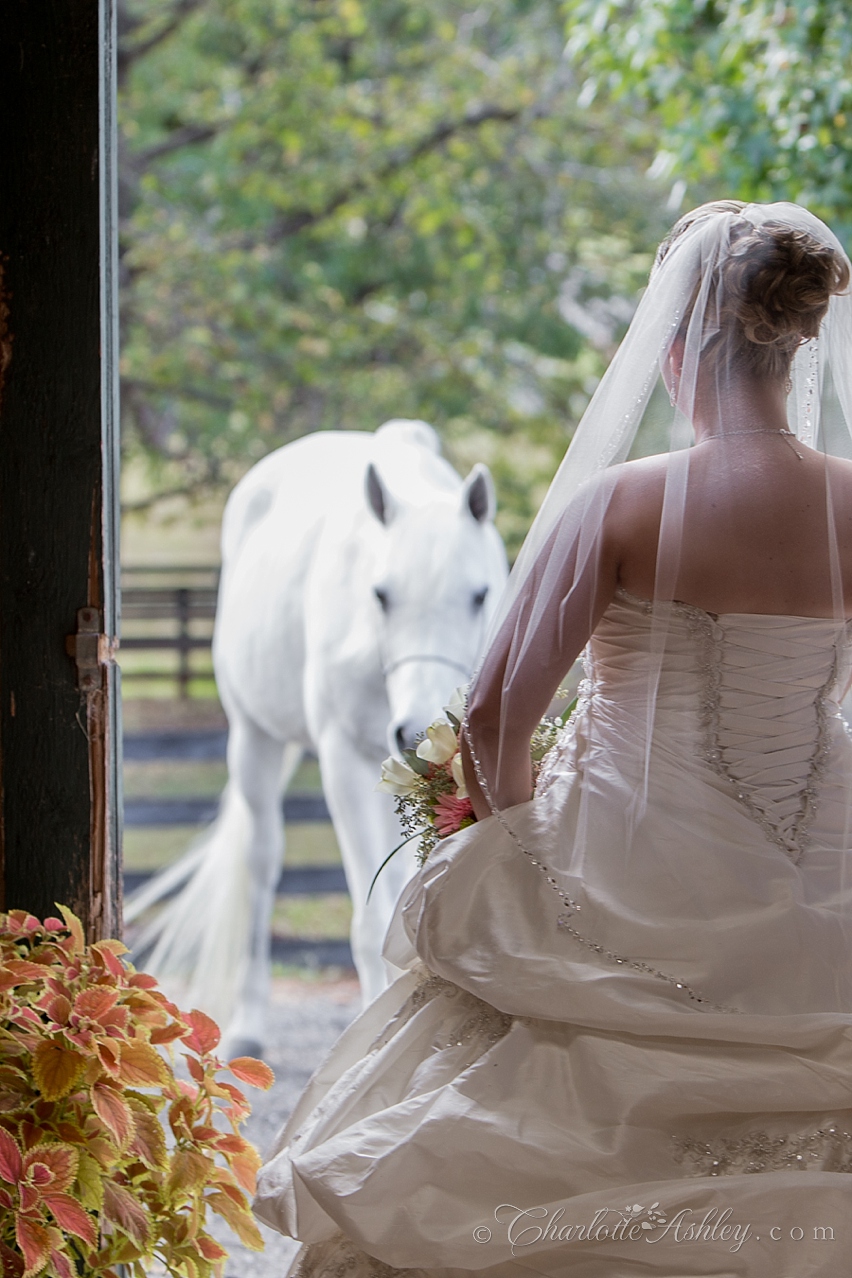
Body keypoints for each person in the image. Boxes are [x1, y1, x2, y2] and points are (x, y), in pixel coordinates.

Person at [253, 202, 852, 1278]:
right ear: (797, 344)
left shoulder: (619, 506)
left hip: (623, 863)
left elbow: (492, 720)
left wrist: (522, 853)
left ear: (676, 348)